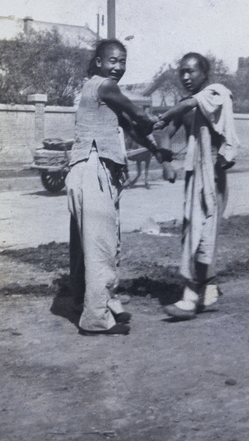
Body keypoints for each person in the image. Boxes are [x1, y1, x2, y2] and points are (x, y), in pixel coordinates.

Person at [66, 39, 172, 335]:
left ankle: (100, 302)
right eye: (113, 60)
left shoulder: (105, 97)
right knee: (101, 245)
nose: (118, 67)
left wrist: (156, 150)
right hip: (93, 169)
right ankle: (96, 319)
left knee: (94, 243)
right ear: (98, 62)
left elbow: (131, 127)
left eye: (122, 62)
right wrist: (153, 120)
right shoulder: (103, 85)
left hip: (93, 171)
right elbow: (137, 115)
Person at [154, 52, 238, 320]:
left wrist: (166, 113)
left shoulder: (216, 94)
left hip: (214, 176)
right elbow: (165, 132)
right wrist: (166, 162)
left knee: (204, 234)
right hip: (195, 176)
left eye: (191, 71)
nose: (186, 77)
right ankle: (209, 291)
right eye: (182, 72)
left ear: (205, 73)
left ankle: (190, 298)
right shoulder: (186, 105)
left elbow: (182, 109)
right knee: (193, 231)